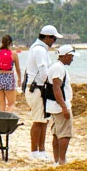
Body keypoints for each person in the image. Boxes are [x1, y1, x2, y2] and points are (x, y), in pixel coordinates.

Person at [24, 25, 62, 161]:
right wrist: (53, 84)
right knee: (38, 121)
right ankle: (34, 151)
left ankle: (41, 150)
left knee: (44, 120)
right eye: (53, 38)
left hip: (41, 89)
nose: (54, 41)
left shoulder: (41, 49)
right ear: (46, 37)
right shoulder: (39, 50)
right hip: (37, 89)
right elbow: (43, 71)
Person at [46, 45, 76, 165]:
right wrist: (64, 107)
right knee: (65, 134)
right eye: (71, 56)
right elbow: (56, 88)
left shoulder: (56, 66)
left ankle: (57, 160)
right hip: (59, 106)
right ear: (66, 55)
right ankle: (61, 160)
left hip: (53, 105)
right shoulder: (58, 68)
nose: (72, 59)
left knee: (57, 133)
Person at [0, 35, 21, 112]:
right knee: (11, 104)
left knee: (2, 104)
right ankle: (6, 121)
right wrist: (19, 79)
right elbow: (18, 69)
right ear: (11, 43)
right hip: (9, 78)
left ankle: (1, 121)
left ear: (1, 42)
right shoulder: (14, 54)